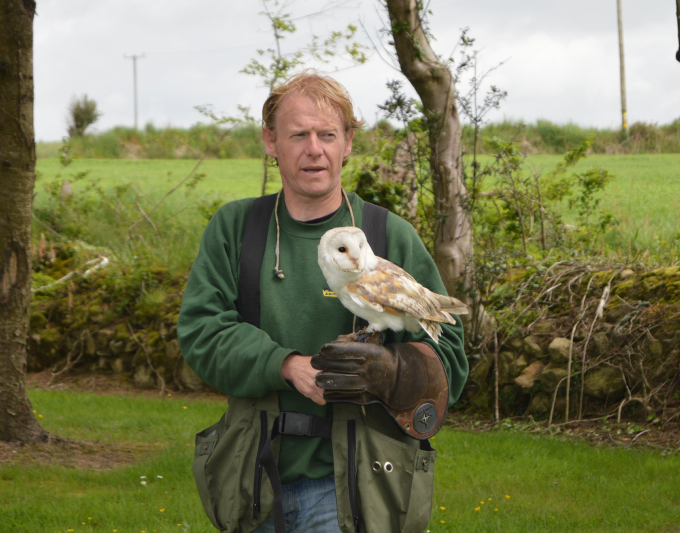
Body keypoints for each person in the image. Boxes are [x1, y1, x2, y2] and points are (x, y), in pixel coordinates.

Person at [177, 71, 467, 533]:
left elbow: (449, 359)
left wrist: (393, 372)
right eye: (298, 135)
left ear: (348, 142)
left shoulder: (390, 235)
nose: (314, 148)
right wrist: (285, 364)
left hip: (355, 485)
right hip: (254, 479)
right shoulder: (237, 229)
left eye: (327, 134)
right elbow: (200, 332)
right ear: (271, 142)